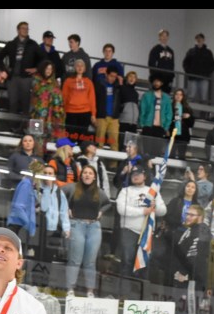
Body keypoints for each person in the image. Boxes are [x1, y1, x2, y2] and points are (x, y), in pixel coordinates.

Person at [65, 165, 109, 297]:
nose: (87, 175)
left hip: (94, 227)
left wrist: (101, 211)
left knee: (90, 261)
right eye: (85, 173)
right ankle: (70, 289)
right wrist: (66, 208)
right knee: (75, 259)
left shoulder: (99, 191)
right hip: (76, 225)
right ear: (81, 175)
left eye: (90, 173)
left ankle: (90, 290)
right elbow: (58, 194)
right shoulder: (72, 187)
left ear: (94, 176)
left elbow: (108, 203)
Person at [115, 167, 166, 280]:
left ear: (145, 176)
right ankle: (124, 293)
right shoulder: (125, 191)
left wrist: (155, 207)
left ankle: (140, 294)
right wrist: (142, 211)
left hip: (147, 233)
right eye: (133, 174)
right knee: (127, 260)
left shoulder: (152, 191)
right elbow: (121, 209)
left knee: (144, 264)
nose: (135, 176)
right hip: (129, 231)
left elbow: (163, 210)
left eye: (138, 173)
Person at [172, 204, 209, 314]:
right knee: (185, 309)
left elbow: (199, 257)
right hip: (183, 277)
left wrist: (189, 276)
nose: (187, 217)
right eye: (187, 214)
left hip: (193, 279)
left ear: (200, 217)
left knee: (192, 309)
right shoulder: (189, 231)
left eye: (191, 215)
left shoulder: (202, 231)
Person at [0, 22, 44, 116]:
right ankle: (12, 128)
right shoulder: (11, 44)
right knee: (12, 103)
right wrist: (5, 70)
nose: (26, 30)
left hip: (26, 79)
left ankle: (23, 128)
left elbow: (43, 58)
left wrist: (36, 69)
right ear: (18, 30)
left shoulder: (33, 44)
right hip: (12, 79)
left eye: (27, 28)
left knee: (26, 104)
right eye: (23, 28)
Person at [29, 60, 64, 146]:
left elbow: (59, 98)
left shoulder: (54, 83)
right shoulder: (36, 80)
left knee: (49, 141)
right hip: (37, 116)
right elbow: (38, 93)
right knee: (35, 138)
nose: (49, 71)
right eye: (47, 68)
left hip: (50, 117)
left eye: (51, 69)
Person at [61, 60, 96, 137]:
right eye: (78, 65)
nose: (80, 67)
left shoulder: (89, 82)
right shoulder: (68, 81)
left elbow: (92, 99)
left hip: (85, 112)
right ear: (74, 68)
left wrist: (93, 114)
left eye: (82, 66)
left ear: (85, 68)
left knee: (83, 138)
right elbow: (64, 97)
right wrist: (63, 111)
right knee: (70, 137)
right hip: (71, 112)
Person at [94, 66, 123, 150]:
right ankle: (96, 163)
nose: (113, 78)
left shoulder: (118, 86)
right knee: (99, 143)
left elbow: (123, 99)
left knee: (114, 145)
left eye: (115, 76)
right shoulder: (99, 84)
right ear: (106, 74)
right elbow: (95, 100)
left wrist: (121, 84)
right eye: (111, 76)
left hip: (114, 118)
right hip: (101, 117)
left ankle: (113, 164)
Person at [182, 34, 214, 102]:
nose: (199, 40)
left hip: (204, 78)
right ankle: (188, 112)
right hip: (192, 78)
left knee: (203, 98)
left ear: (203, 40)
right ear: (195, 40)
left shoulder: (208, 52)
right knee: (191, 97)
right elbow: (185, 63)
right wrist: (189, 72)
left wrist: (207, 73)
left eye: (200, 39)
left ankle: (203, 113)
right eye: (197, 39)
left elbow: (213, 65)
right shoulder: (191, 51)